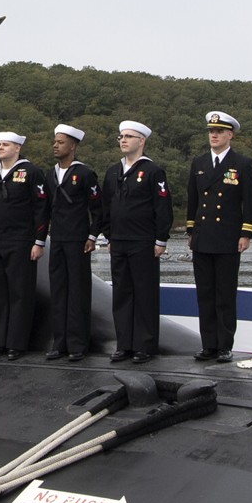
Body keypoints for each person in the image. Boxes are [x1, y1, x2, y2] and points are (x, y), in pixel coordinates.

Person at [186, 111, 252, 363]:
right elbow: (193, 199)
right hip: (203, 237)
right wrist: (191, 230)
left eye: (219, 132)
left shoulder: (242, 163)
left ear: (230, 135)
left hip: (228, 237)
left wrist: (246, 232)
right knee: (204, 294)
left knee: (224, 295)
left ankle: (224, 345)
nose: (213, 135)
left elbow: (249, 202)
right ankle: (208, 345)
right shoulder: (199, 163)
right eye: (210, 131)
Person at [101, 120, 170, 364]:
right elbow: (105, 207)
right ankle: (125, 345)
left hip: (143, 241)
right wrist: (108, 235)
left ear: (141, 141)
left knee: (144, 294)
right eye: (121, 136)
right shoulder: (113, 172)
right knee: (122, 295)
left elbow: (162, 208)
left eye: (128, 136)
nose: (123, 140)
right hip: (119, 241)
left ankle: (145, 345)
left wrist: (160, 239)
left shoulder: (153, 171)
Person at [0, 132, 48, 361]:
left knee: (20, 293)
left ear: (17, 148)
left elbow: (41, 209)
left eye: (5, 144)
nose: (0, 147)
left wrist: (38, 241)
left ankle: (16, 344)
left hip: (21, 241)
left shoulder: (31, 173)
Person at [46, 125, 101, 362]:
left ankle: (78, 344)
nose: (55, 145)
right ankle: (60, 343)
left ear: (73, 146)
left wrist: (92, 236)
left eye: (60, 142)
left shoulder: (86, 174)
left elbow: (98, 210)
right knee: (58, 292)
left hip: (78, 241)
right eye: (54, 142)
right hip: (57, 239)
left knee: (78, 293)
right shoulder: (50, 175)